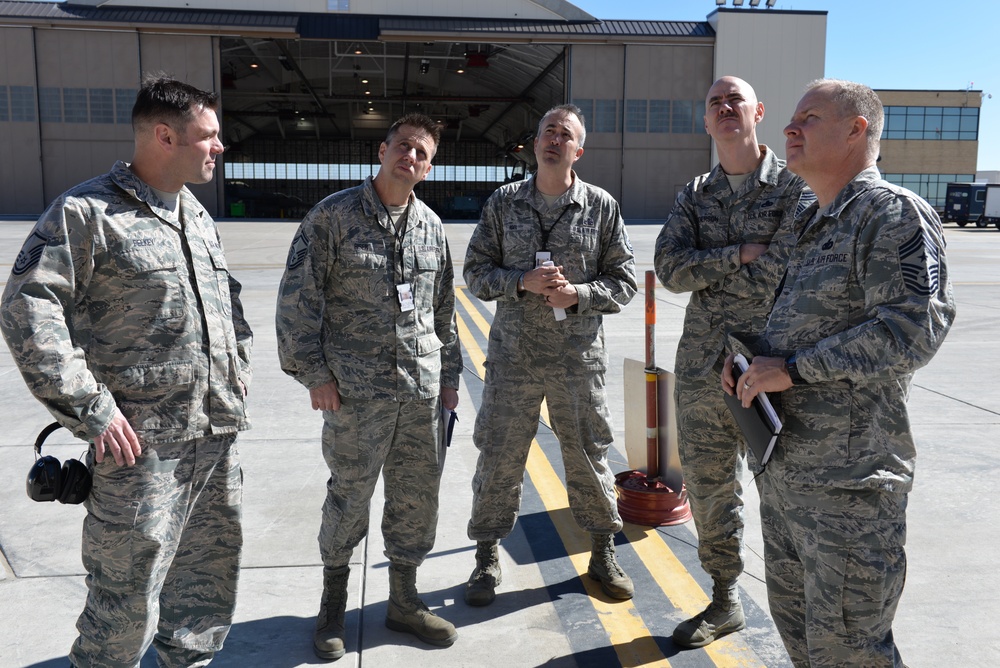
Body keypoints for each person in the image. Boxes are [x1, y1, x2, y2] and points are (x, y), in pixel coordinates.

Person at [0, 75, 252, 667]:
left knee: (203, 597)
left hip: (215, 441)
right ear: (165, 136)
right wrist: (90, 408)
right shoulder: (87, 213)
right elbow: (28, 308)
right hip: (140, 451)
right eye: (208, 136)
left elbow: (229, 304)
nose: (219, 146)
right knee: (122, 609)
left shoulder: (196, 215)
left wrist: (238, 366)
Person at [724, 79, 956, 666]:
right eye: (793, 117)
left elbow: (913, 330)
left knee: (851, 652)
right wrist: (750, 364)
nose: (790, 128)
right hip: (787, 479)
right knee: (804, 646)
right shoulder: (810, 220)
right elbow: (798, 323)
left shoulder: (891, 213)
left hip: (849, 491)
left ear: (857, 129)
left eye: (810, 117)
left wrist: (791, 370)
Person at [275, 113, 462, 660]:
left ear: (429, 168)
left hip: (420, 393)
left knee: (416, 499)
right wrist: (314, 375)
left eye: (422, 153)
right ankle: (333, 602)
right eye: (403, 146)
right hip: (355, 395)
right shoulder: (332, 216)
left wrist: (449, 379)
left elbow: (443, 311)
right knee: (349, 496)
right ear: (382, 151)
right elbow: (297, 301)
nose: (410, 157)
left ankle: (404, 599)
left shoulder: (431, 226)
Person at [653, 76, 812, 648]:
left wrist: (710, 265)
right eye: (715, 102)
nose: (725, 108)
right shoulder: (696, 193)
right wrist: (740, 253)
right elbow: (669, 269)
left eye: (735, 100)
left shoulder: (794, 188)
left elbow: (787, 269)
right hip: (702, 368)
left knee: (784, 492)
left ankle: (803, 607)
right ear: (705, 121)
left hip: (771, 368)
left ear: (758, 112)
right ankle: (724, 600)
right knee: (708, 486)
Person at [463, 104, 637, 607]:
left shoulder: (600, 206)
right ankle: (486, 554)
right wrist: (521, 281)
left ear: (578, 150)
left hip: (576, 360)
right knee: (498, 456)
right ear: (534, 143)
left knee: (588, 454)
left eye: (565, 134)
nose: (554, 140)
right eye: (547, 132)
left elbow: (624, 281)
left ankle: (602, 551)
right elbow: (475, 272)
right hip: (513, 359)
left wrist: (577, 294)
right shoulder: (503, 203)